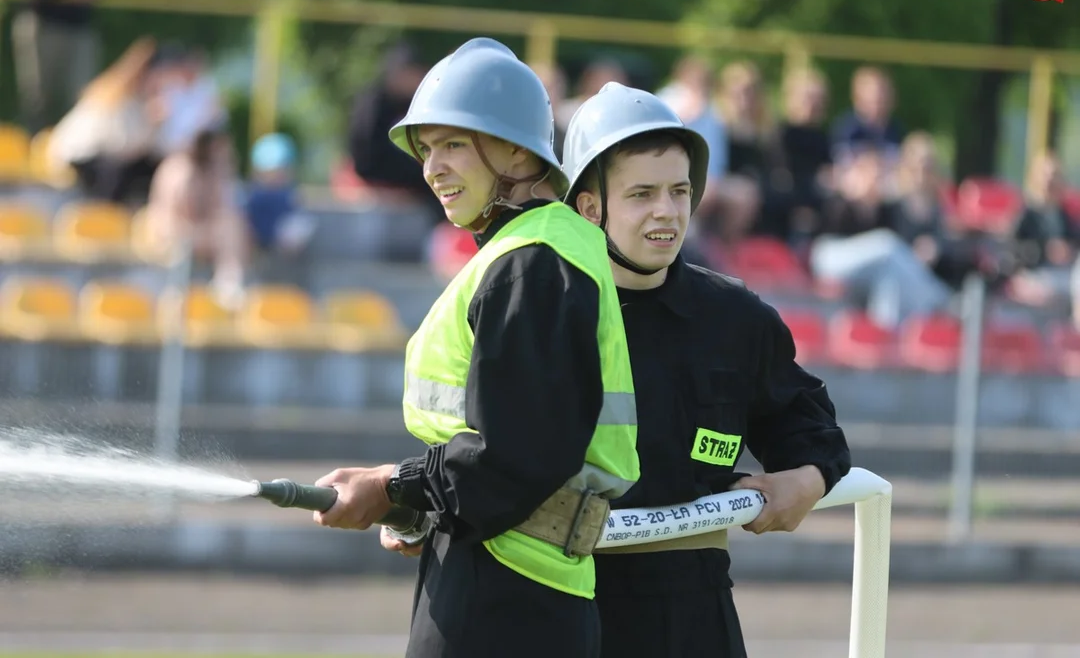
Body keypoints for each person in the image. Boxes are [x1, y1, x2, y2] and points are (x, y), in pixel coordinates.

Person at [310, 38, 640, 658]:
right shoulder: (538, 249)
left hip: (505, 596)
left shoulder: (533, 262)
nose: (432, 167)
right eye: (426, 149)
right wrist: (426, 507)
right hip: (516, 573)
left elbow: (511, 455)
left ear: (519, 152)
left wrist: (393, 487)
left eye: (454, 143)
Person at [561, 82, 852, 658]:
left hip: (697, 611)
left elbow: (810, 426)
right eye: (642, 193)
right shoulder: (546, 316)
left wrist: (807, 479)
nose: (667, 212)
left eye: (679, 191)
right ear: (590, 207)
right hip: (567, 604)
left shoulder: (734, 316)